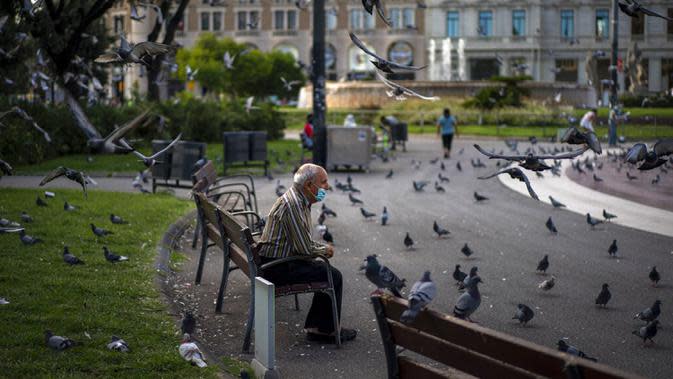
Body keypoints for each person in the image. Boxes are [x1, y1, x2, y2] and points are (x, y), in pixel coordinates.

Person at [256, 164, 357, 343]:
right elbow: (304, 249)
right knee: (332, 275)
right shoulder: (294, 205)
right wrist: (325, 250)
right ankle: (325, 331)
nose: (327, 187)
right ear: (310, 186)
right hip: (276, 268)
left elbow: (301, 242)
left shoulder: (299, 199)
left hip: (277, 261)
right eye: (323, 182)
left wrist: (318, 249)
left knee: (322, 269)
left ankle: (318, 327)